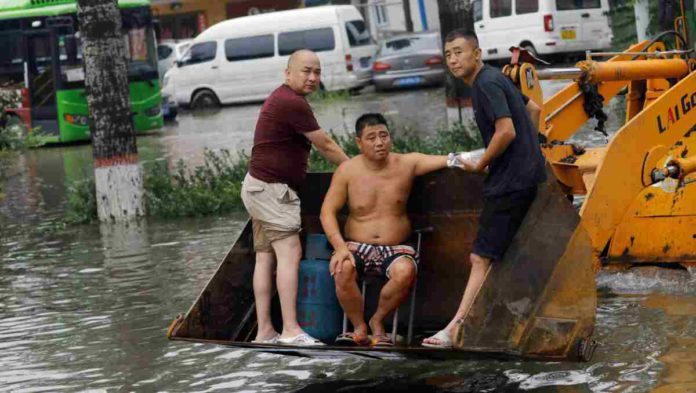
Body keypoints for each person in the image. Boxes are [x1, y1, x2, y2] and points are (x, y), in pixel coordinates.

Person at [421, 29, 547, 348]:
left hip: (508, 184)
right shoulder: (495, 78)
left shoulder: (485, 84)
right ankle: (511, 322)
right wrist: (529, 154)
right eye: (448, 53)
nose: (453, 58)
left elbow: (505, 132)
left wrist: (481, 163)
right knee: (503, 256)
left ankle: (456, 328)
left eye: (459, 51)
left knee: (481, 258)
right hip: (527, 177)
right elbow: (533, 110)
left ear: (477, 54)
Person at [320, 113, 467, 347]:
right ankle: (358, 326)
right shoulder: (348, 170)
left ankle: (377, 321)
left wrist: (483, 157)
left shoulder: (407, 163)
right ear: (359, 142)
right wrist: (338, 247)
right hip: (356, 245)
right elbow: (327, 212)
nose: (379, 142)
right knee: (341, 268)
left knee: (405, 271)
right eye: (371, 137)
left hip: (396, 247)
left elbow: (451, 159)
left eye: (383, 135)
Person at [241, 49, 349, 346]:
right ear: (287, 73)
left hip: (257, 187)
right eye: (306, 71)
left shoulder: (282, 98)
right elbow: (326, 145)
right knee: (290, 255)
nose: (313, 77)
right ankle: (290, 330)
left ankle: (265, 331)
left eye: (317, 72)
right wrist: (355, 170)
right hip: (273, 191)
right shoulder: (292, 101)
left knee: (265, 258)